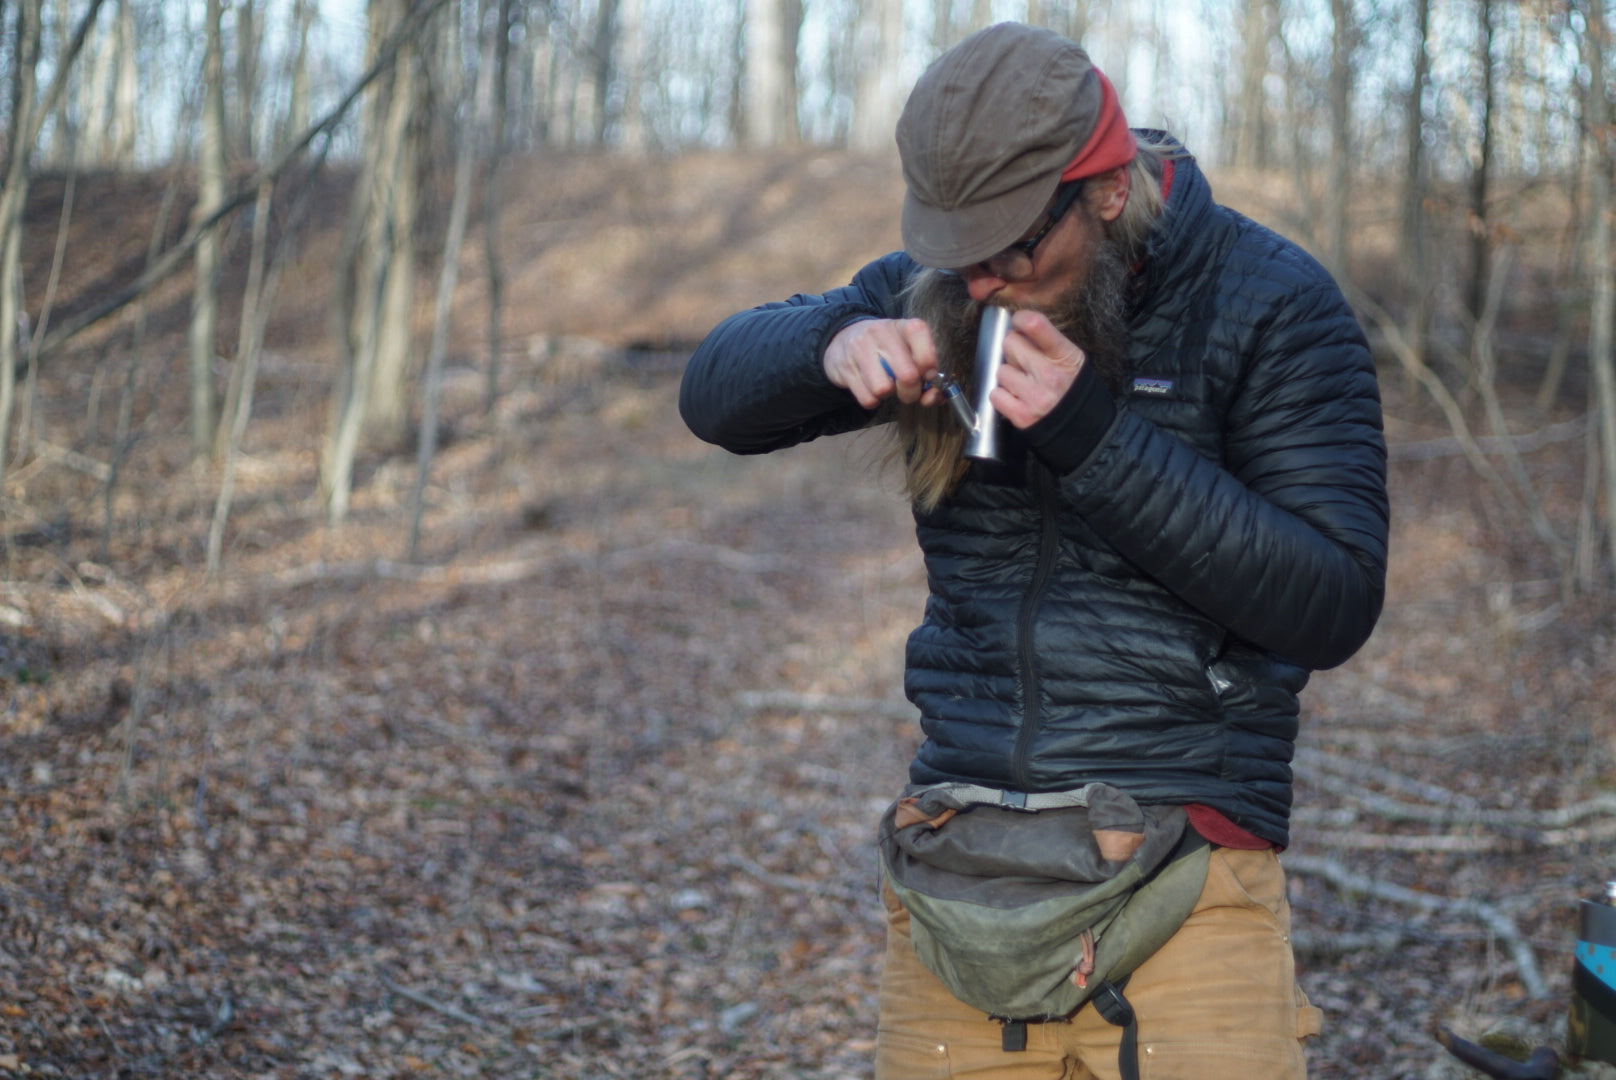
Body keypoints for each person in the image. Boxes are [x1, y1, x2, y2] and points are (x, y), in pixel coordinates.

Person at [680, 21, 1388, 1080]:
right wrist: (830, 350)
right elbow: (713, 398)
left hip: (1188, 869)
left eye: (1013, 247)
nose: (984, 283)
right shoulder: (949, 284)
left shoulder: (1271, 302)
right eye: (957, 252)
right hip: (961, 869)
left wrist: (1091, 437)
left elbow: (1328, 603)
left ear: (1105, 191)